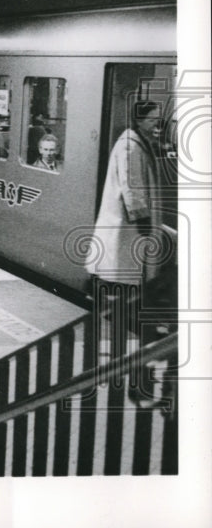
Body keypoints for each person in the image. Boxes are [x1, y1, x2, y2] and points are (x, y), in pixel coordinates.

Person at [90, 101, 170, 405]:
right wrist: (147, 228)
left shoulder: (138, 142)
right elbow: (132, 190)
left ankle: (128, 372)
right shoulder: (130, 146)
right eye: (151, 120)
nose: (156, 125)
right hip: (129, 239)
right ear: (139, 120)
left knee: (129, 309)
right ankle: (128, 376)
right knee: (131, 307)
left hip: (132, 240)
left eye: (158, 120)